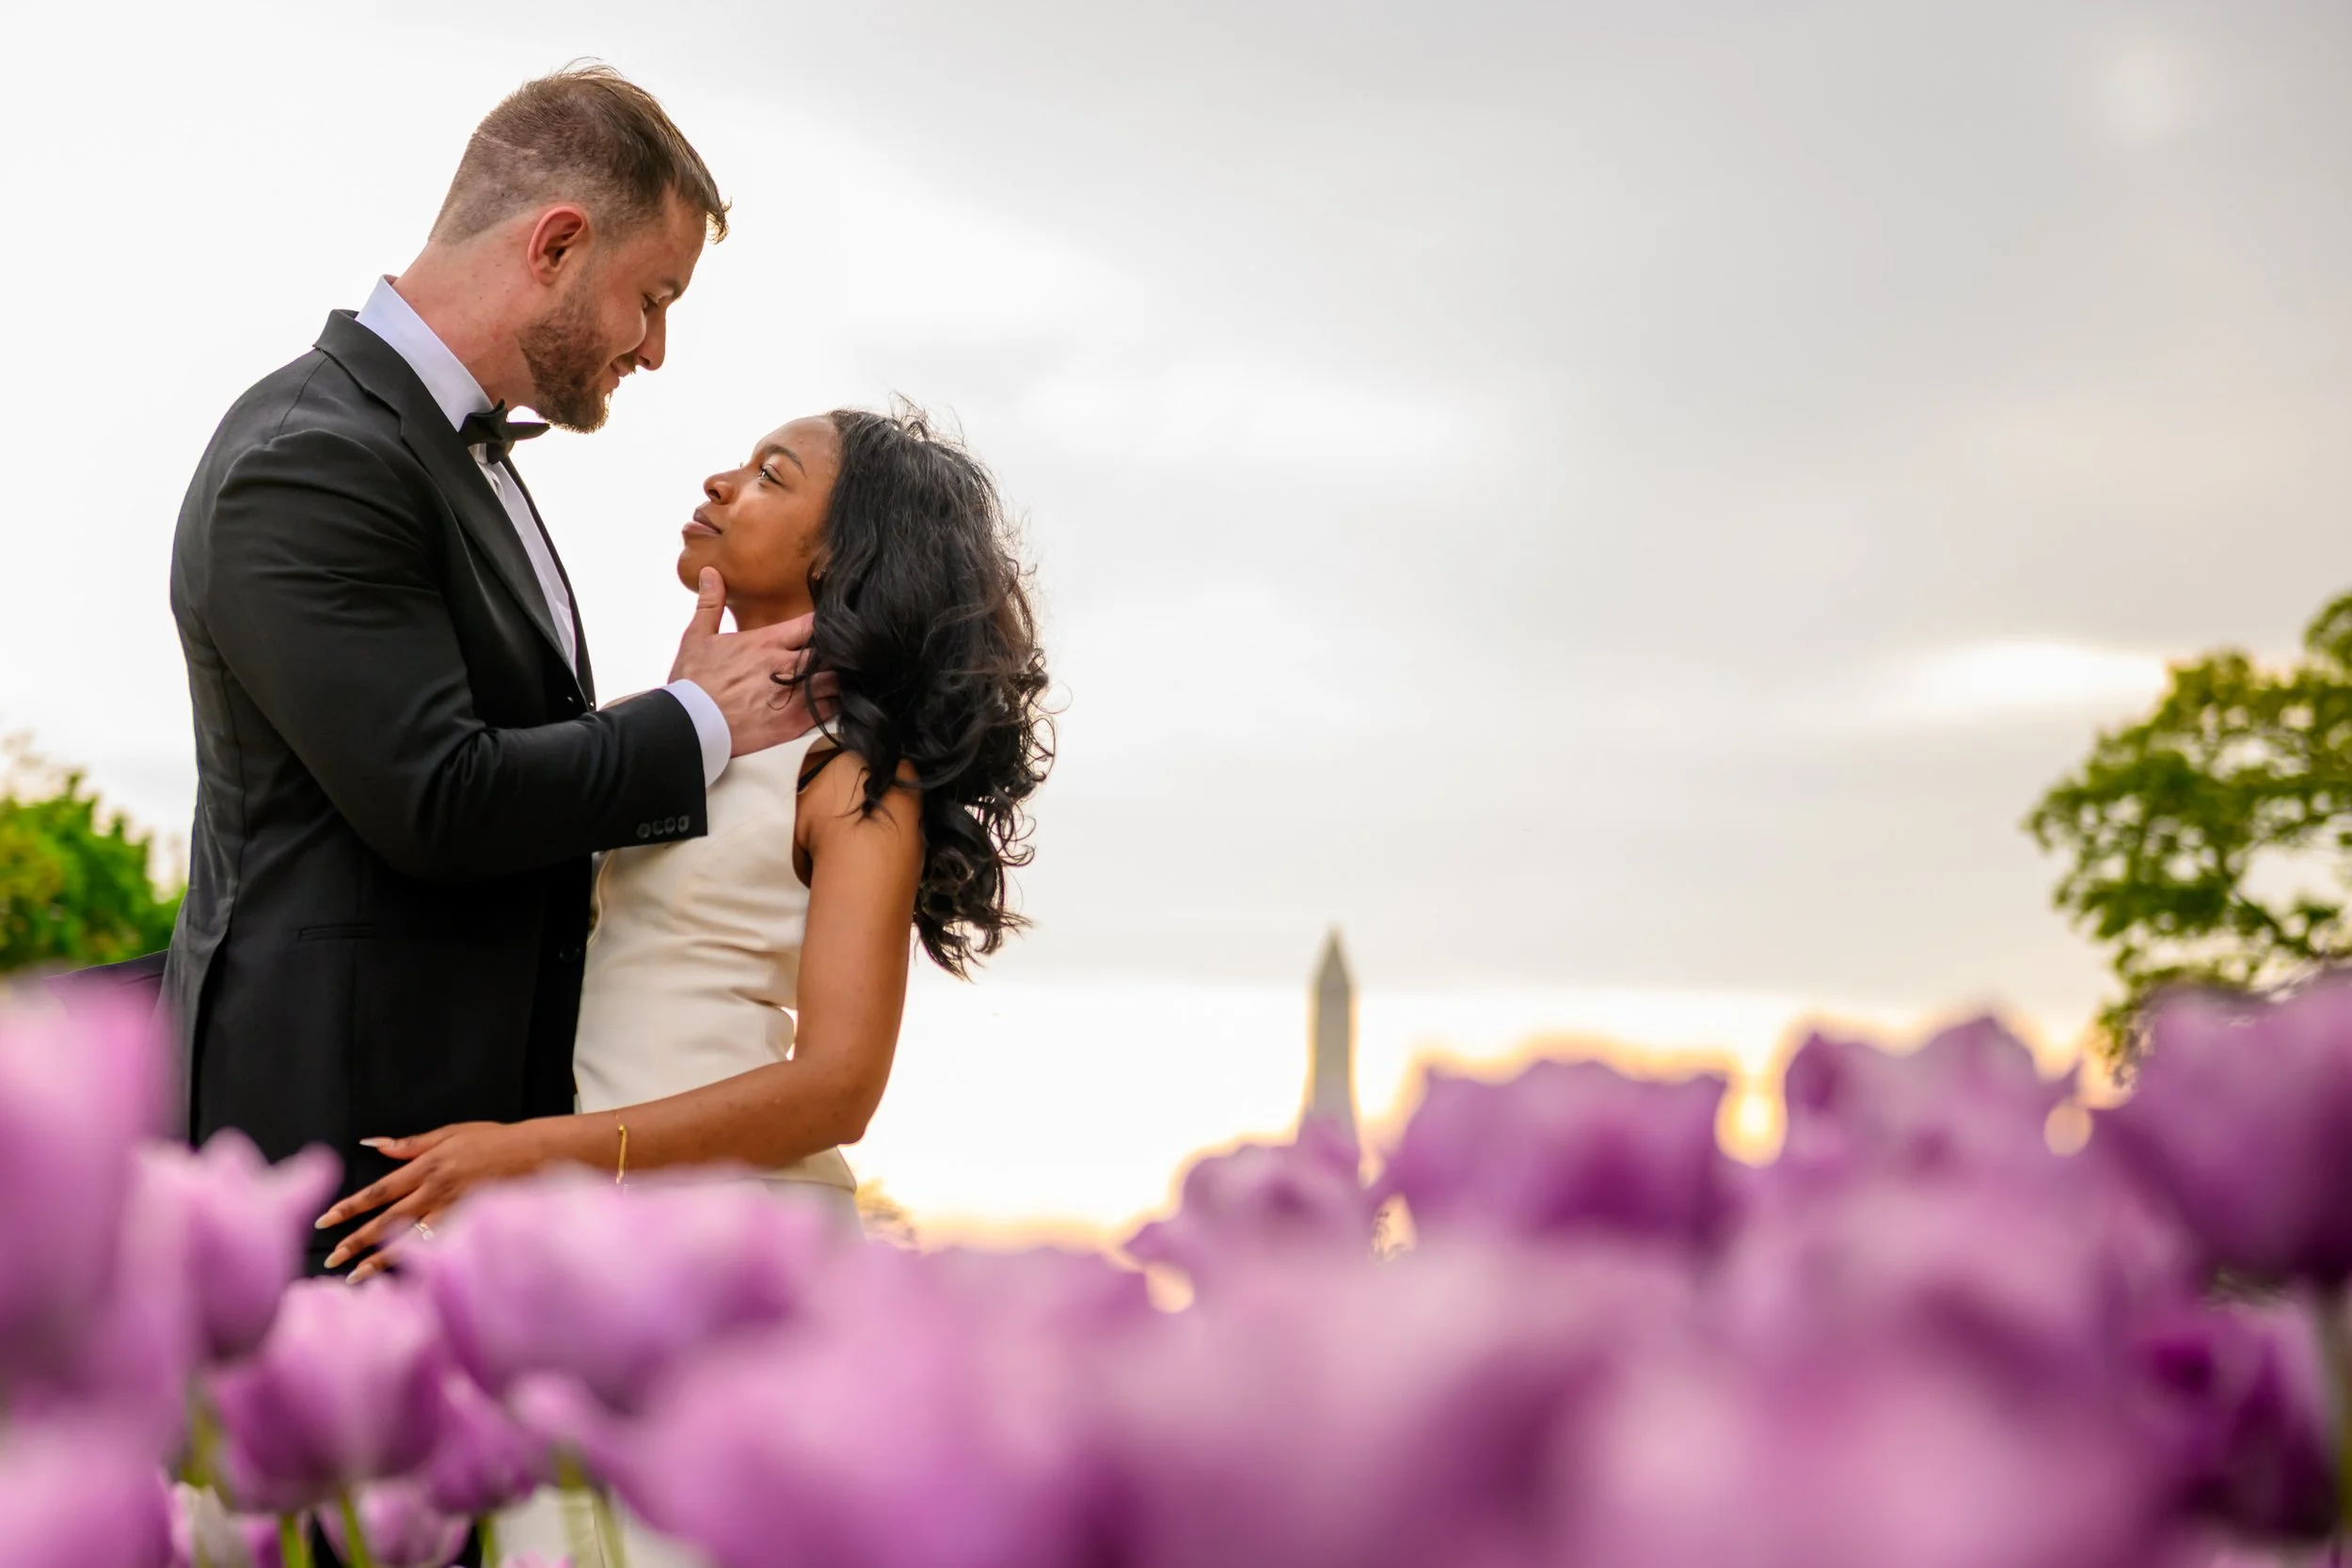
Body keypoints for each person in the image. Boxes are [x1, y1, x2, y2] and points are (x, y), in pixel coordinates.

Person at [164, 66, 819, 1271]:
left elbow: (478, 751)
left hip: (465, 1143)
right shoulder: (312, 458)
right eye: (652, 296)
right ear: (558, 243)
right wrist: (691, 722)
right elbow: (436, 798)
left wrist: (680, 712)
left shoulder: (455, 455)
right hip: (336, 1153)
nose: (656, 349)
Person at [316, 404, 1050, 1265]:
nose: (721, 482)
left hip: (744, 1236)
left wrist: (533, 1152)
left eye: (772, 475)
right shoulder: (636, 727)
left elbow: (839, 1088)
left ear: (843, 559)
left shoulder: (853, 777)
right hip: (586, 1230)